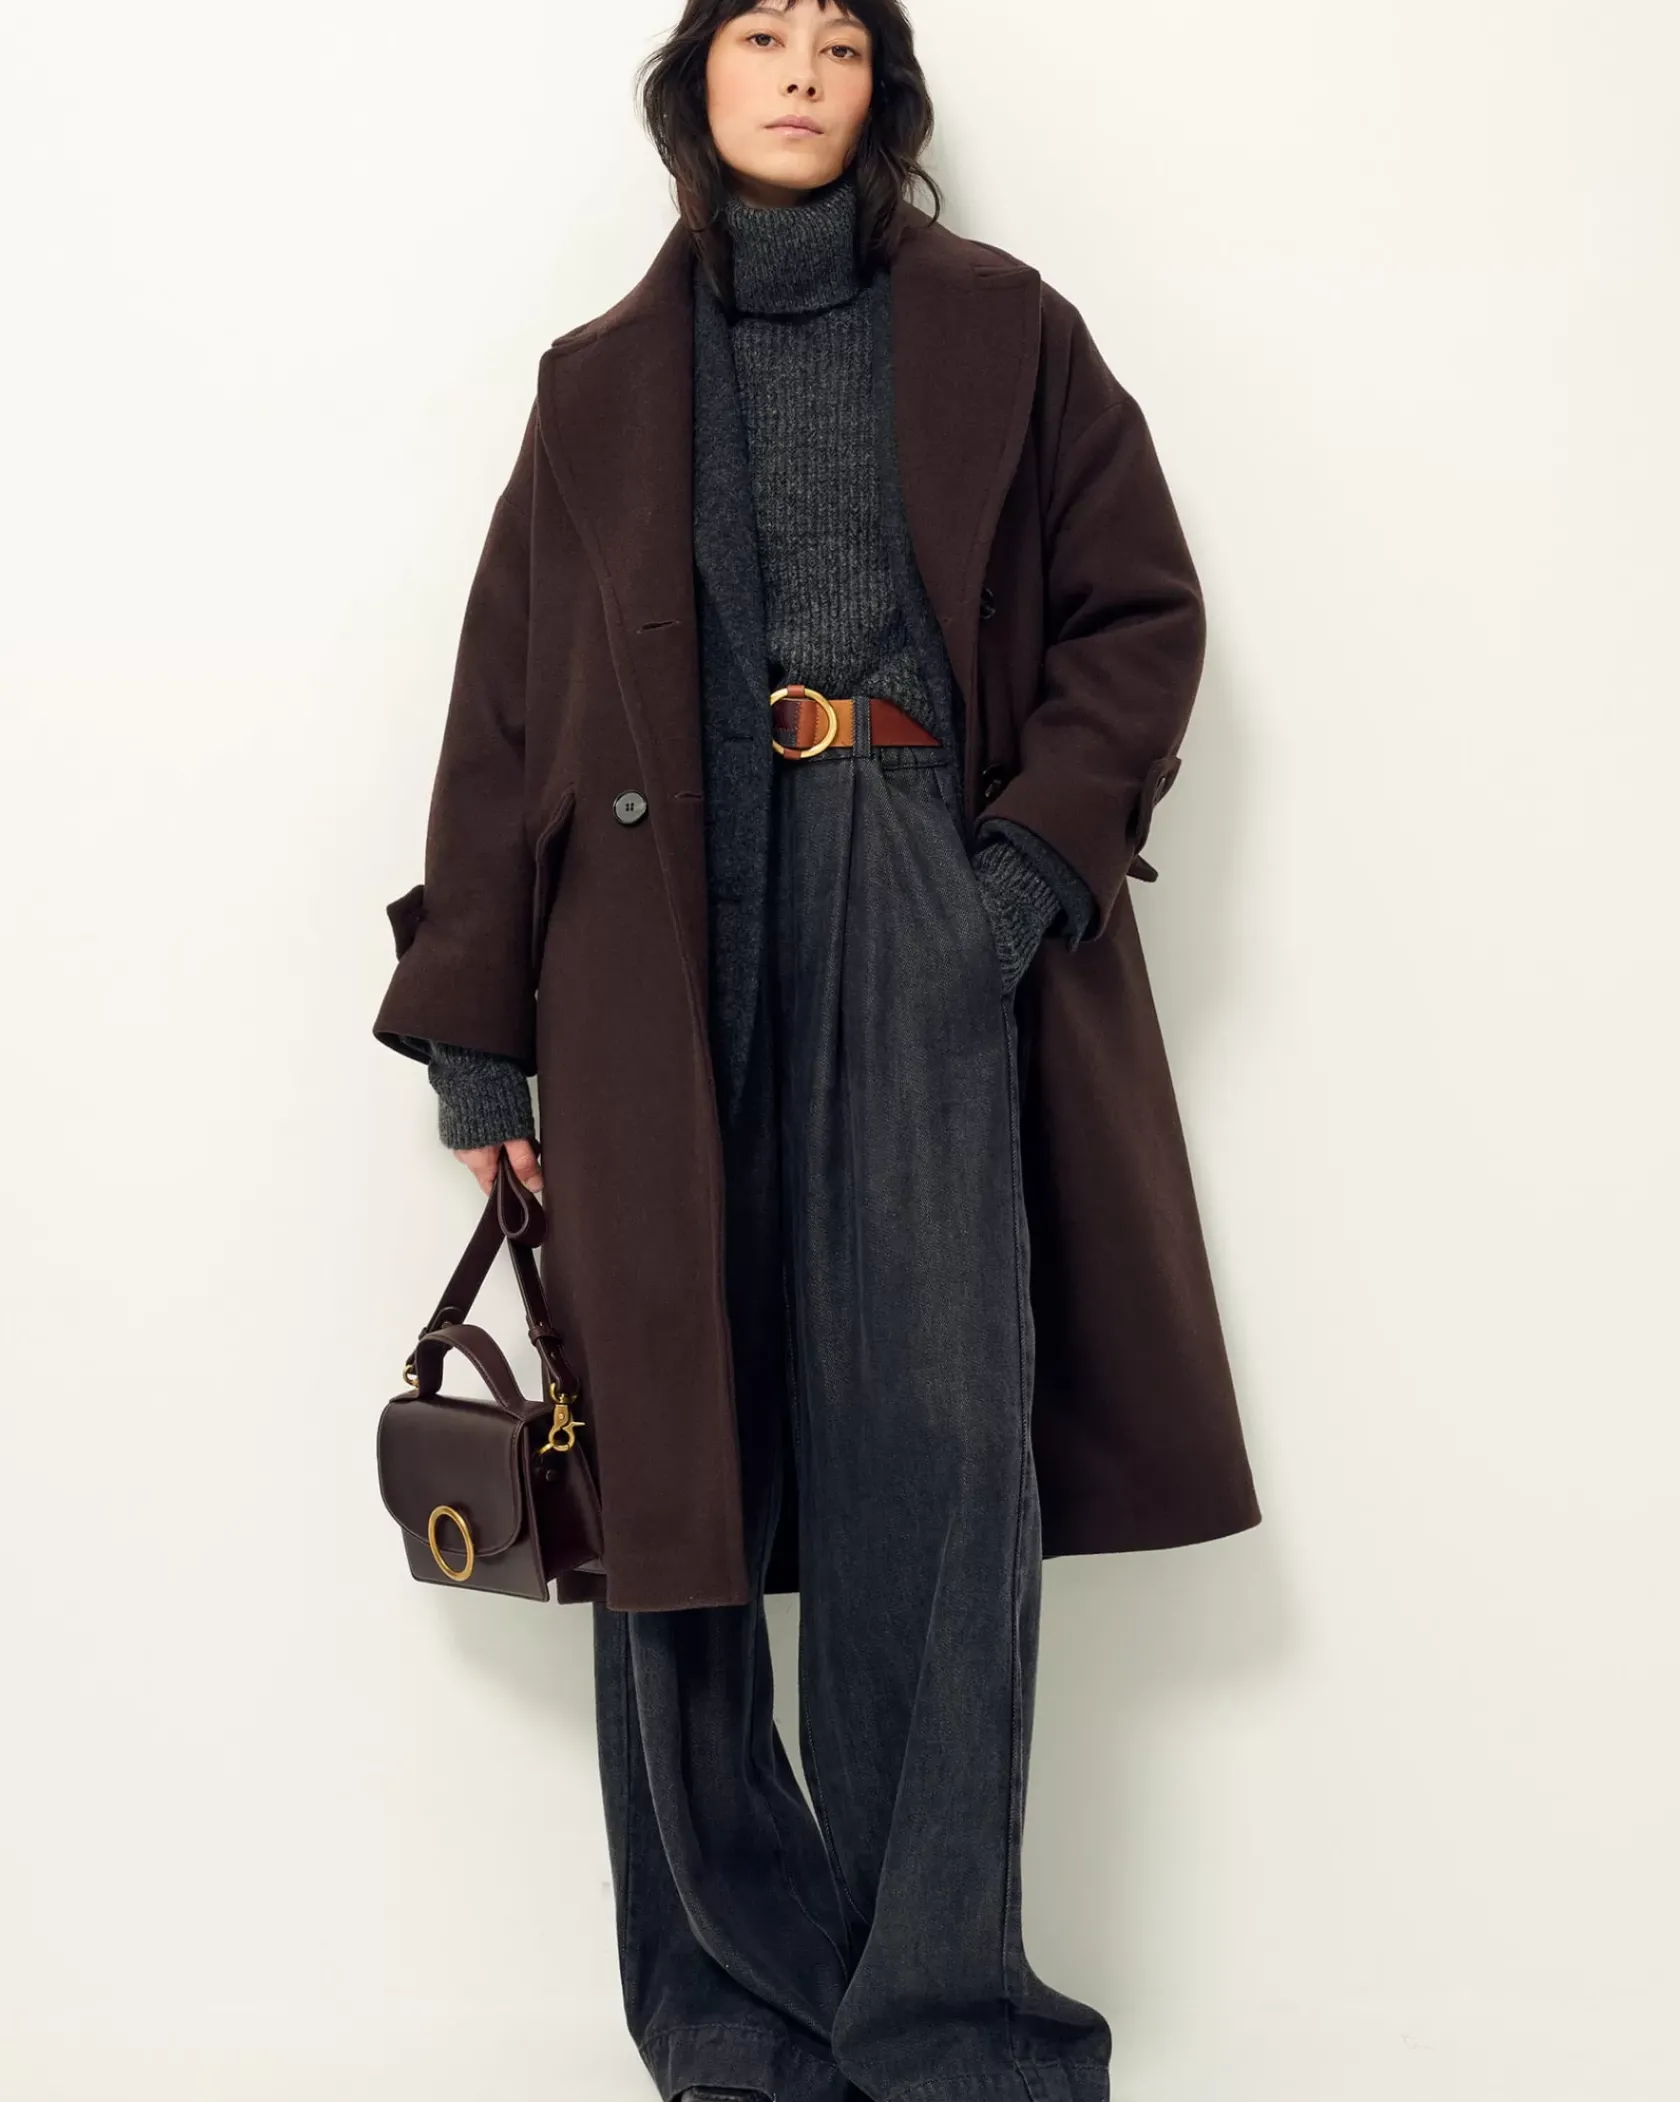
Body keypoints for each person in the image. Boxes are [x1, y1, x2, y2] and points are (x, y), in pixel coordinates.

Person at [374, 2, 1259, 2096]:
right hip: (651, 937)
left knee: (936, 1463)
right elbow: (505, 710)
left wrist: (1012, 885)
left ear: (884, 91)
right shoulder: (595, 386)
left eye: (839, 41)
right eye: (759, 34)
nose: (797, 72)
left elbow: (1140, 614)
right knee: (670, 1470)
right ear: (696, 83)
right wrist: (482, 1050)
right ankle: (739, 2016)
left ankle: (945, 2021)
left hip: (918, 885)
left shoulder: (1008, 332)